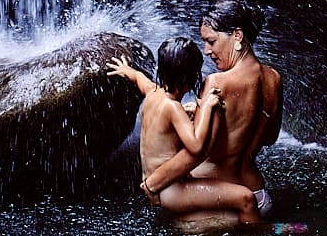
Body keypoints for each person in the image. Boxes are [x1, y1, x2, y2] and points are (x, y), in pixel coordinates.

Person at [141, 0, 283, 221]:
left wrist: (154, 183)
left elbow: (199, 150)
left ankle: (280, 231)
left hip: (223, 200)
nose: (207, 51)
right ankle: (287, 229)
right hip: (258, 195)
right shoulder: (274, 78)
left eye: (211, 41)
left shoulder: (217, 83)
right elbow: (270, 137)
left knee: (179, 235)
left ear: (237, 35)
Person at [107, 37, 262, 224]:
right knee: (246, 199)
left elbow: (139, 79)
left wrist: (127, 71)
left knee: (233, 205)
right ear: (189, 78)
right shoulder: (173, 108)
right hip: (170, 189)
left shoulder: (152, 93)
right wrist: (206, 107)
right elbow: (196, 146)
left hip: (161, 184)